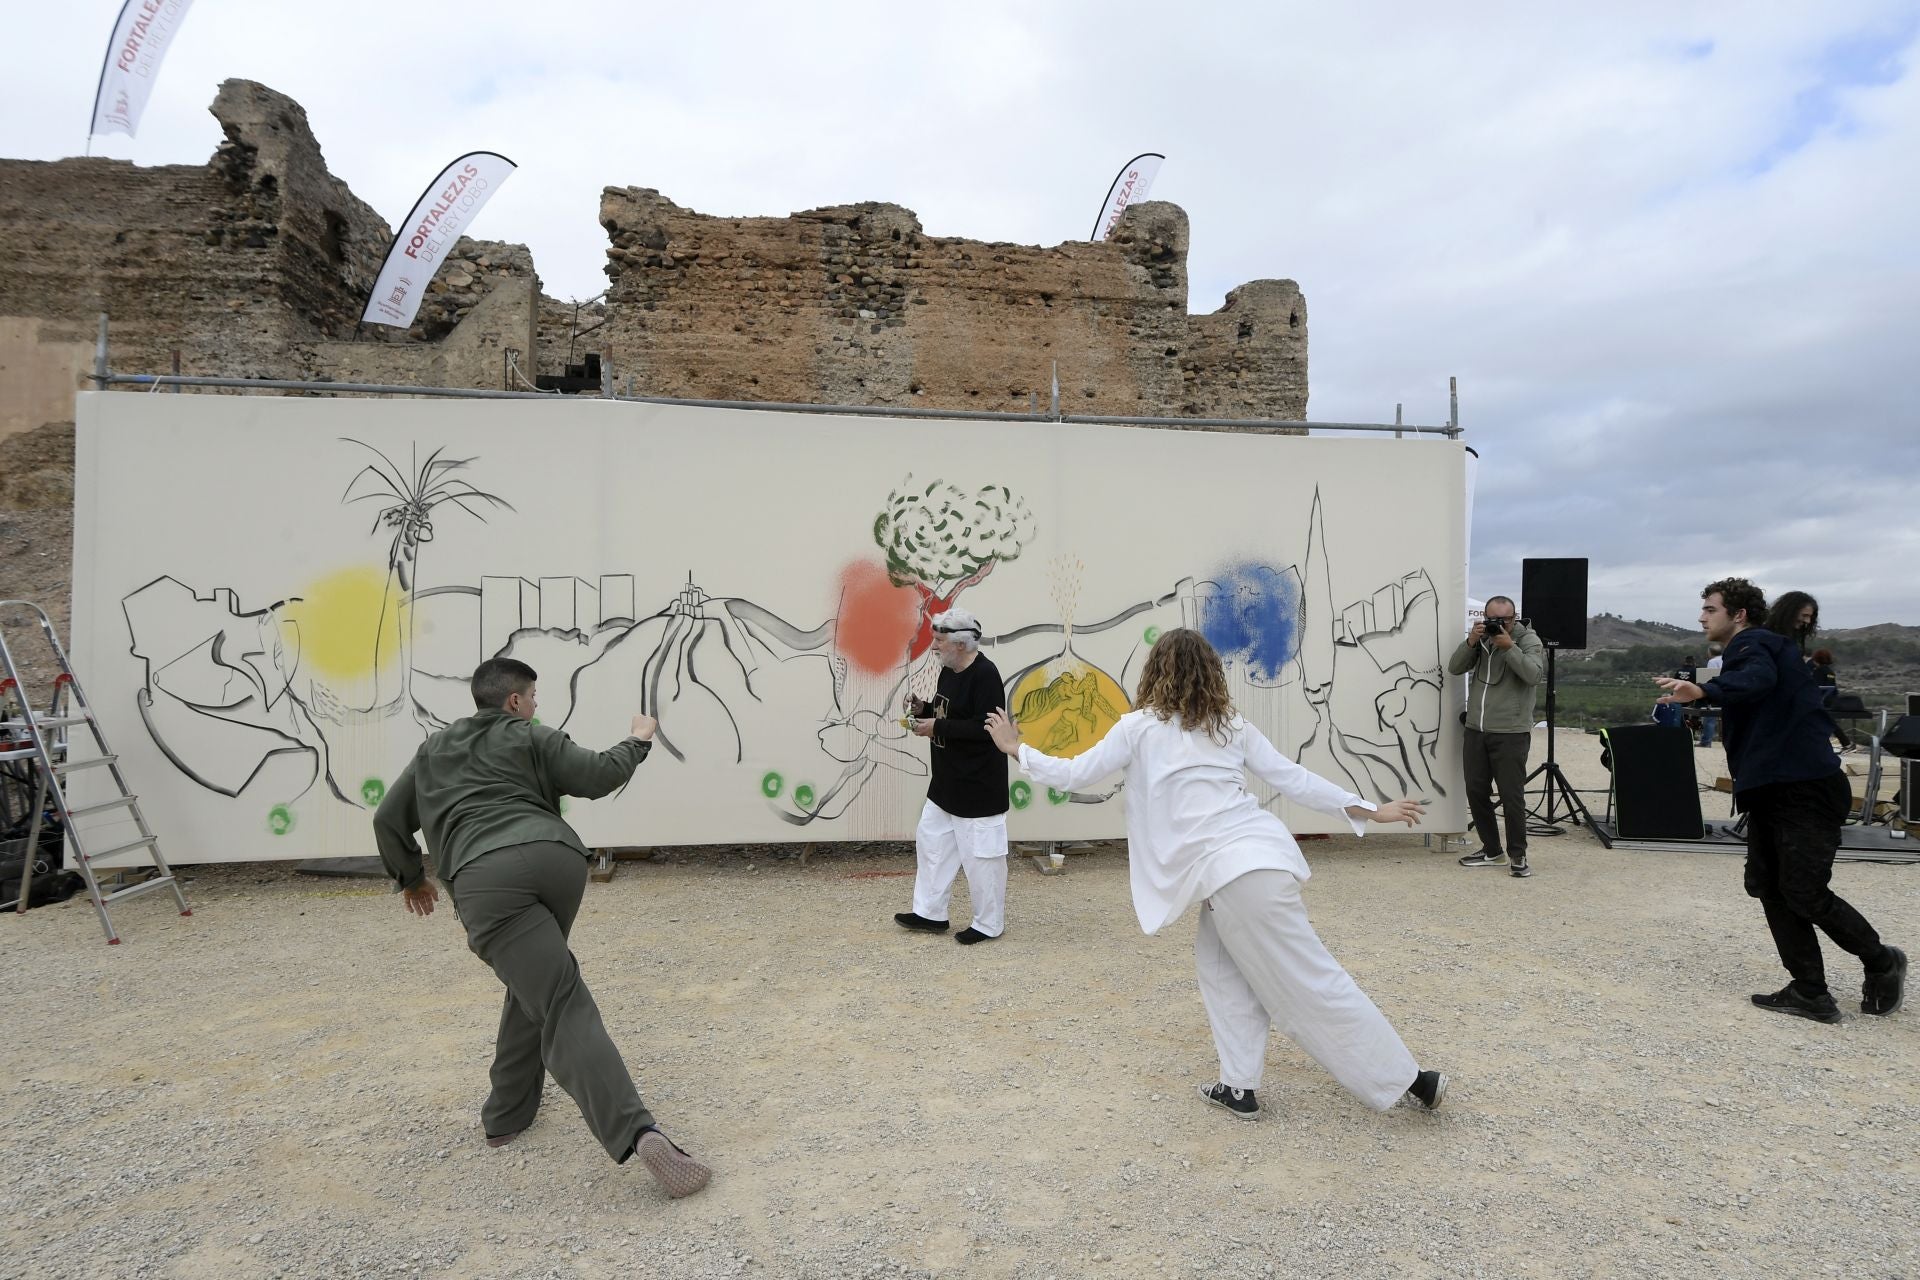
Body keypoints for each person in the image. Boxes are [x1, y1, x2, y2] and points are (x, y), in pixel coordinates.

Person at [982, 628, 1445, 1121]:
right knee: (1223, 972)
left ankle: (1413, 1079)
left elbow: (1075, 774)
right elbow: (1293, 777)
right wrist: (1368, 810)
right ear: (1211, 674)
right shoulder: (1230, 726)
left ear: (1155, 672)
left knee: (1310, 984)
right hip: (1253, 865)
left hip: (1237, 875)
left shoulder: (1138, 728)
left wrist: (1016, 749)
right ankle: (1237, 1086)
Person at [373, 657, 712, 1197]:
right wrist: (638, 739)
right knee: (536, 982)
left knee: (554, 996)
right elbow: (599, 775)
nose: (535, 705)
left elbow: (387, 820)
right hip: (557, 859)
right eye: (532, 696)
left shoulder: (432, 751)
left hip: (486, 877)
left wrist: (412, 878)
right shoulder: (530, 735)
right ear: (513, 702)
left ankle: (638, 1131)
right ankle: (506, 1113)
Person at [1655, 579, 1906, 1022]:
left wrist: (1706, 691)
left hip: (1803, 788)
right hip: (1774, 788)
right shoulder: (1761, 645)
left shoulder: (1753, 644)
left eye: (1710, 609)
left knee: (1804, 891)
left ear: (1738, 615)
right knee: (1769, 886)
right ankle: (1810, 990)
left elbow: (1757, 679)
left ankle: (1883, 961)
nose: (1701, 616)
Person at [894, 608, 1011, 944]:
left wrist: (937, 726)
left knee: (982, 860)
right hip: (946, 784)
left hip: (977, 788)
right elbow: (950, 713)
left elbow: (986, 728)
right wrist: (925, 710)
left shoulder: (985, 675)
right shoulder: (949, 670)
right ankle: (930, 913)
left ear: (960, 644)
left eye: (939, 640)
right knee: (931, 844)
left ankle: (989, 924)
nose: (933, 647)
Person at [1446, 596, 1545, 877]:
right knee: (1476, 791)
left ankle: (1518, 854)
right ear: (1484, 617)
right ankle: (1492, 850)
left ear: (1515, 617)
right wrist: (1470, 643)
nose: (1500, 625)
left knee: (1512, 795)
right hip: (1477, 729)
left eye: (1506, 619)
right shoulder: (1482, 640)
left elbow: (1534, 675)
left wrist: (1510, 648)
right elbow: (1455, 668)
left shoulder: (1529, 641)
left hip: (1511, 732)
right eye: (1493, 620)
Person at [1764, 591, 1819, 655]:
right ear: (1790, 612)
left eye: (1810, 617)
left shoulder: (1795, 640)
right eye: (1804, 615)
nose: (1808, 621)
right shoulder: (1766, 639)